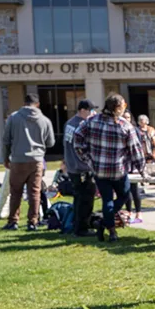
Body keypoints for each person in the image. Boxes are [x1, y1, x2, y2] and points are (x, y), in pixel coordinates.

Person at [74, 93, 145, 242]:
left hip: (99, 169)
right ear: (118, 107)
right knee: (124, 196)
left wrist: (87, 159)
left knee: (107, 200)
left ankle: (110, 230)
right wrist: (142, 169)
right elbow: (135, 150)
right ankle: (105, 223)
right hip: (118, 170)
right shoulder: (125, 126)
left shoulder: (91, 121)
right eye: (124, 105)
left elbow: (77, 138)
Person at [2, 93, 55, 231]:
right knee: (35, 192)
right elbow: (51, 142)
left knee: (16, 192)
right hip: (36, 159)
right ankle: (33, 221)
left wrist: (6, 157)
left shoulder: (13, 118)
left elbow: (6, 140)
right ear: (37, 104)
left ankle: (13, 221)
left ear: (24, 103)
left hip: (18, 159)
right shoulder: (44, 120)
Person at [64, 99, 98, 236]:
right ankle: (82, 228)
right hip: (82, 168)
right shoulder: (81, 125)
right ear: (82, 110)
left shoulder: (69, 123)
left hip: (72, 167)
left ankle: (76, 225)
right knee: (86, 199)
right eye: (90, 111)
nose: (92, 114)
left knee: (78, 198)